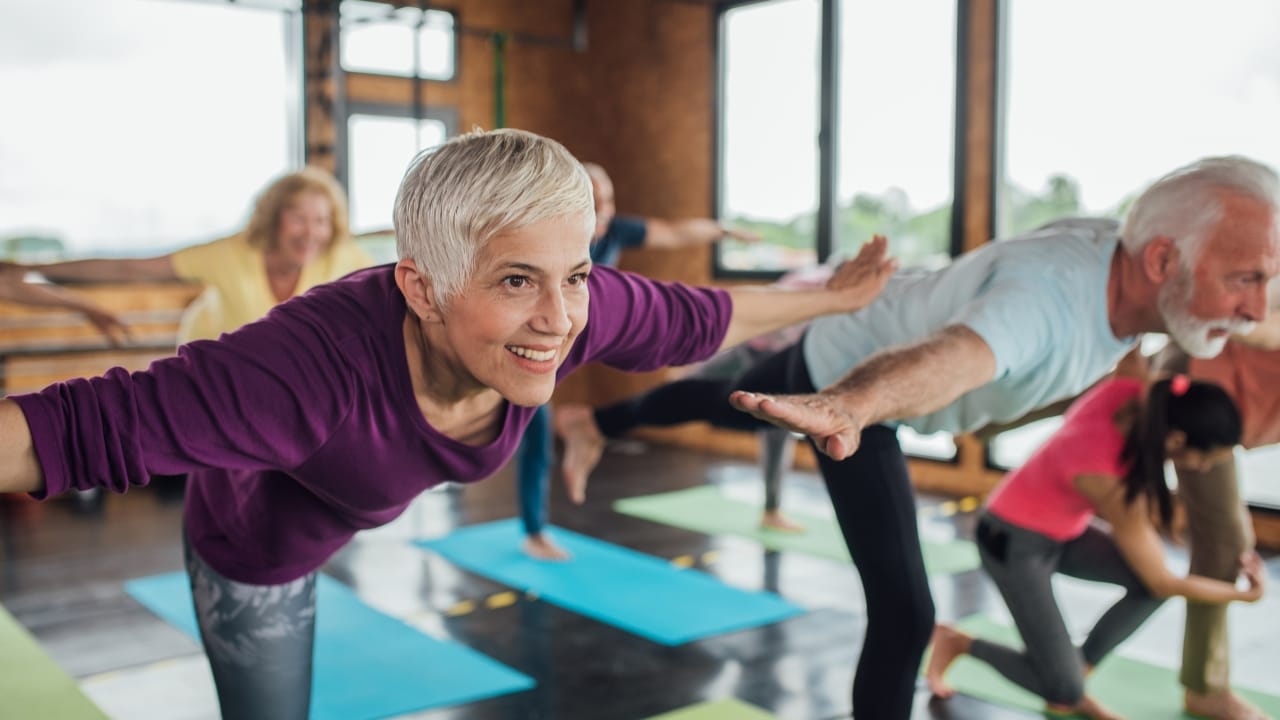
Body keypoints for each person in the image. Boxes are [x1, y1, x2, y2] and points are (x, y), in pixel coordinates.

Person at [0, 128, 897, 720]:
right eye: (516, 281)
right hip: (257, 543)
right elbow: (55, 433)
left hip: (345, 491)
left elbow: (697, 313)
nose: (558, 318)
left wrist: (834, 295)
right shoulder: (299, 373)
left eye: (575, 275)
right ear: (423, 287)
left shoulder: (578, 304)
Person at [558, 156, 1280, 719]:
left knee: (720, 399)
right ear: (1161, 261)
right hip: (853, 380)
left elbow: (1161, 403)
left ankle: (592, 422)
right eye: (1245, 279)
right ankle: (594, 422)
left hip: (855, 349)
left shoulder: (1124, 275)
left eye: (1267, 281)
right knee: (907, 612)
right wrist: (852, 404)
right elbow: (959, 355)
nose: (1256, 308)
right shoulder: (1051, 300)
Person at [925, 375, 1265, 720]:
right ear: (1176, 439)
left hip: (1063, 531)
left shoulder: (1127, 395)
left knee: (1144, 590)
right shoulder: (1109, 481)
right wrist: (1240, 595)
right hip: (1010, 541)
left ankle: (1074, 673)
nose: (1204, 468)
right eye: (1204, 460)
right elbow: (1164, 580)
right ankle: (961, 644)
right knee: (1063, 691)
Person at [515, 161, 763, 560]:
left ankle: (537, 526)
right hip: (525, 349)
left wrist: (724, 229)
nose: (604, 210)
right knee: (519, 432)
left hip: (563, 353)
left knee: (536, 435)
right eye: (593, 202)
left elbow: (673, 232)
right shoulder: (548, 236)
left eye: (608, 200)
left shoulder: (616, 231)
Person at [18, 166, 374, 344]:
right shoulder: (230, 253)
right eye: (298, 218)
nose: (311, 233)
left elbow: (387, 295)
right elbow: (133, 267)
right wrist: (36, 266)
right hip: (209, 357)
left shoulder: (342, 254)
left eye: (321, 221)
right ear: (274, 217)